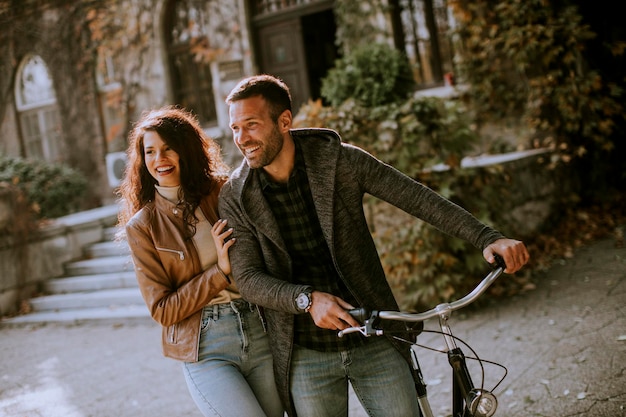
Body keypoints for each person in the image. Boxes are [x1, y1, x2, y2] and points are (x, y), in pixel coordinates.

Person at [218, 74, 530, 417]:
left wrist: (487, 237)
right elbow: (247, 278)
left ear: (284, 121)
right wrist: (306, 300)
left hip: (374, 334)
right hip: (304, 352)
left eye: (251, 125)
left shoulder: (339, 162)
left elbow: (415, 198)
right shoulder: (236, 195)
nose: (241, 138)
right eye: (235, 128)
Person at [117, 106, 284, 417]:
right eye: (150, 151)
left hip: (257, 329)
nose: (159, 159)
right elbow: (163, 311)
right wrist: (219, 272)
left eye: (168, 148)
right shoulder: (143, 226)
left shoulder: (222, 191)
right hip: (206, 347)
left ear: (186, 149)